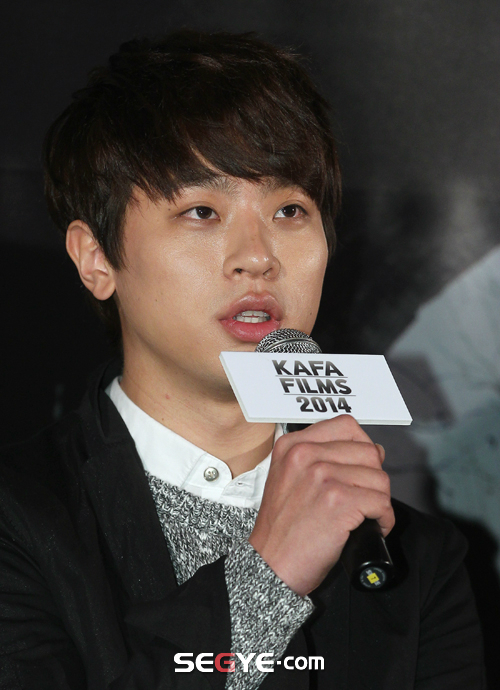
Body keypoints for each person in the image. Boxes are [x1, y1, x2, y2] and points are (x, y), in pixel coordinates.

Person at [0, 30, 485, 689]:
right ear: (96, 259)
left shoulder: (413, 557)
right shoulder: (21, 518)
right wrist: (268, 578)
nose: (257, 256)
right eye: (203, 211)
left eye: (290, 209)